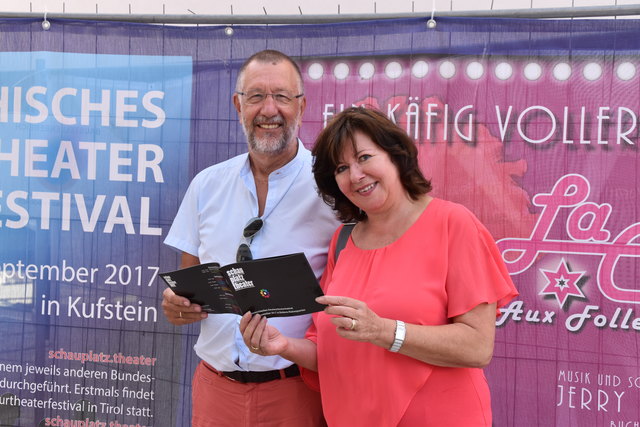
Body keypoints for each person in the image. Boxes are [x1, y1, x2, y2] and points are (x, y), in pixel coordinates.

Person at [240, 107, 519, 426]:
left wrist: (384, 330)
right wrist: (283, 345)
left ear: (395, 156)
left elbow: (477, 346)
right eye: (342, 168)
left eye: (364, 158)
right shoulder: (342, 241)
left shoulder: (453, 224)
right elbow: (331, 352)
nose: (355, 175)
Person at [162, 50, 338, 426]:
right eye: (256, 96)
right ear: (237, 105)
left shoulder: (333, 190)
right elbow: (188, 286)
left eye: (282, 96)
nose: (268, 109)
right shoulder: (206, 185)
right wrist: (179, 307)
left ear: (302, 106)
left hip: (297, 391)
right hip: (215, 388)